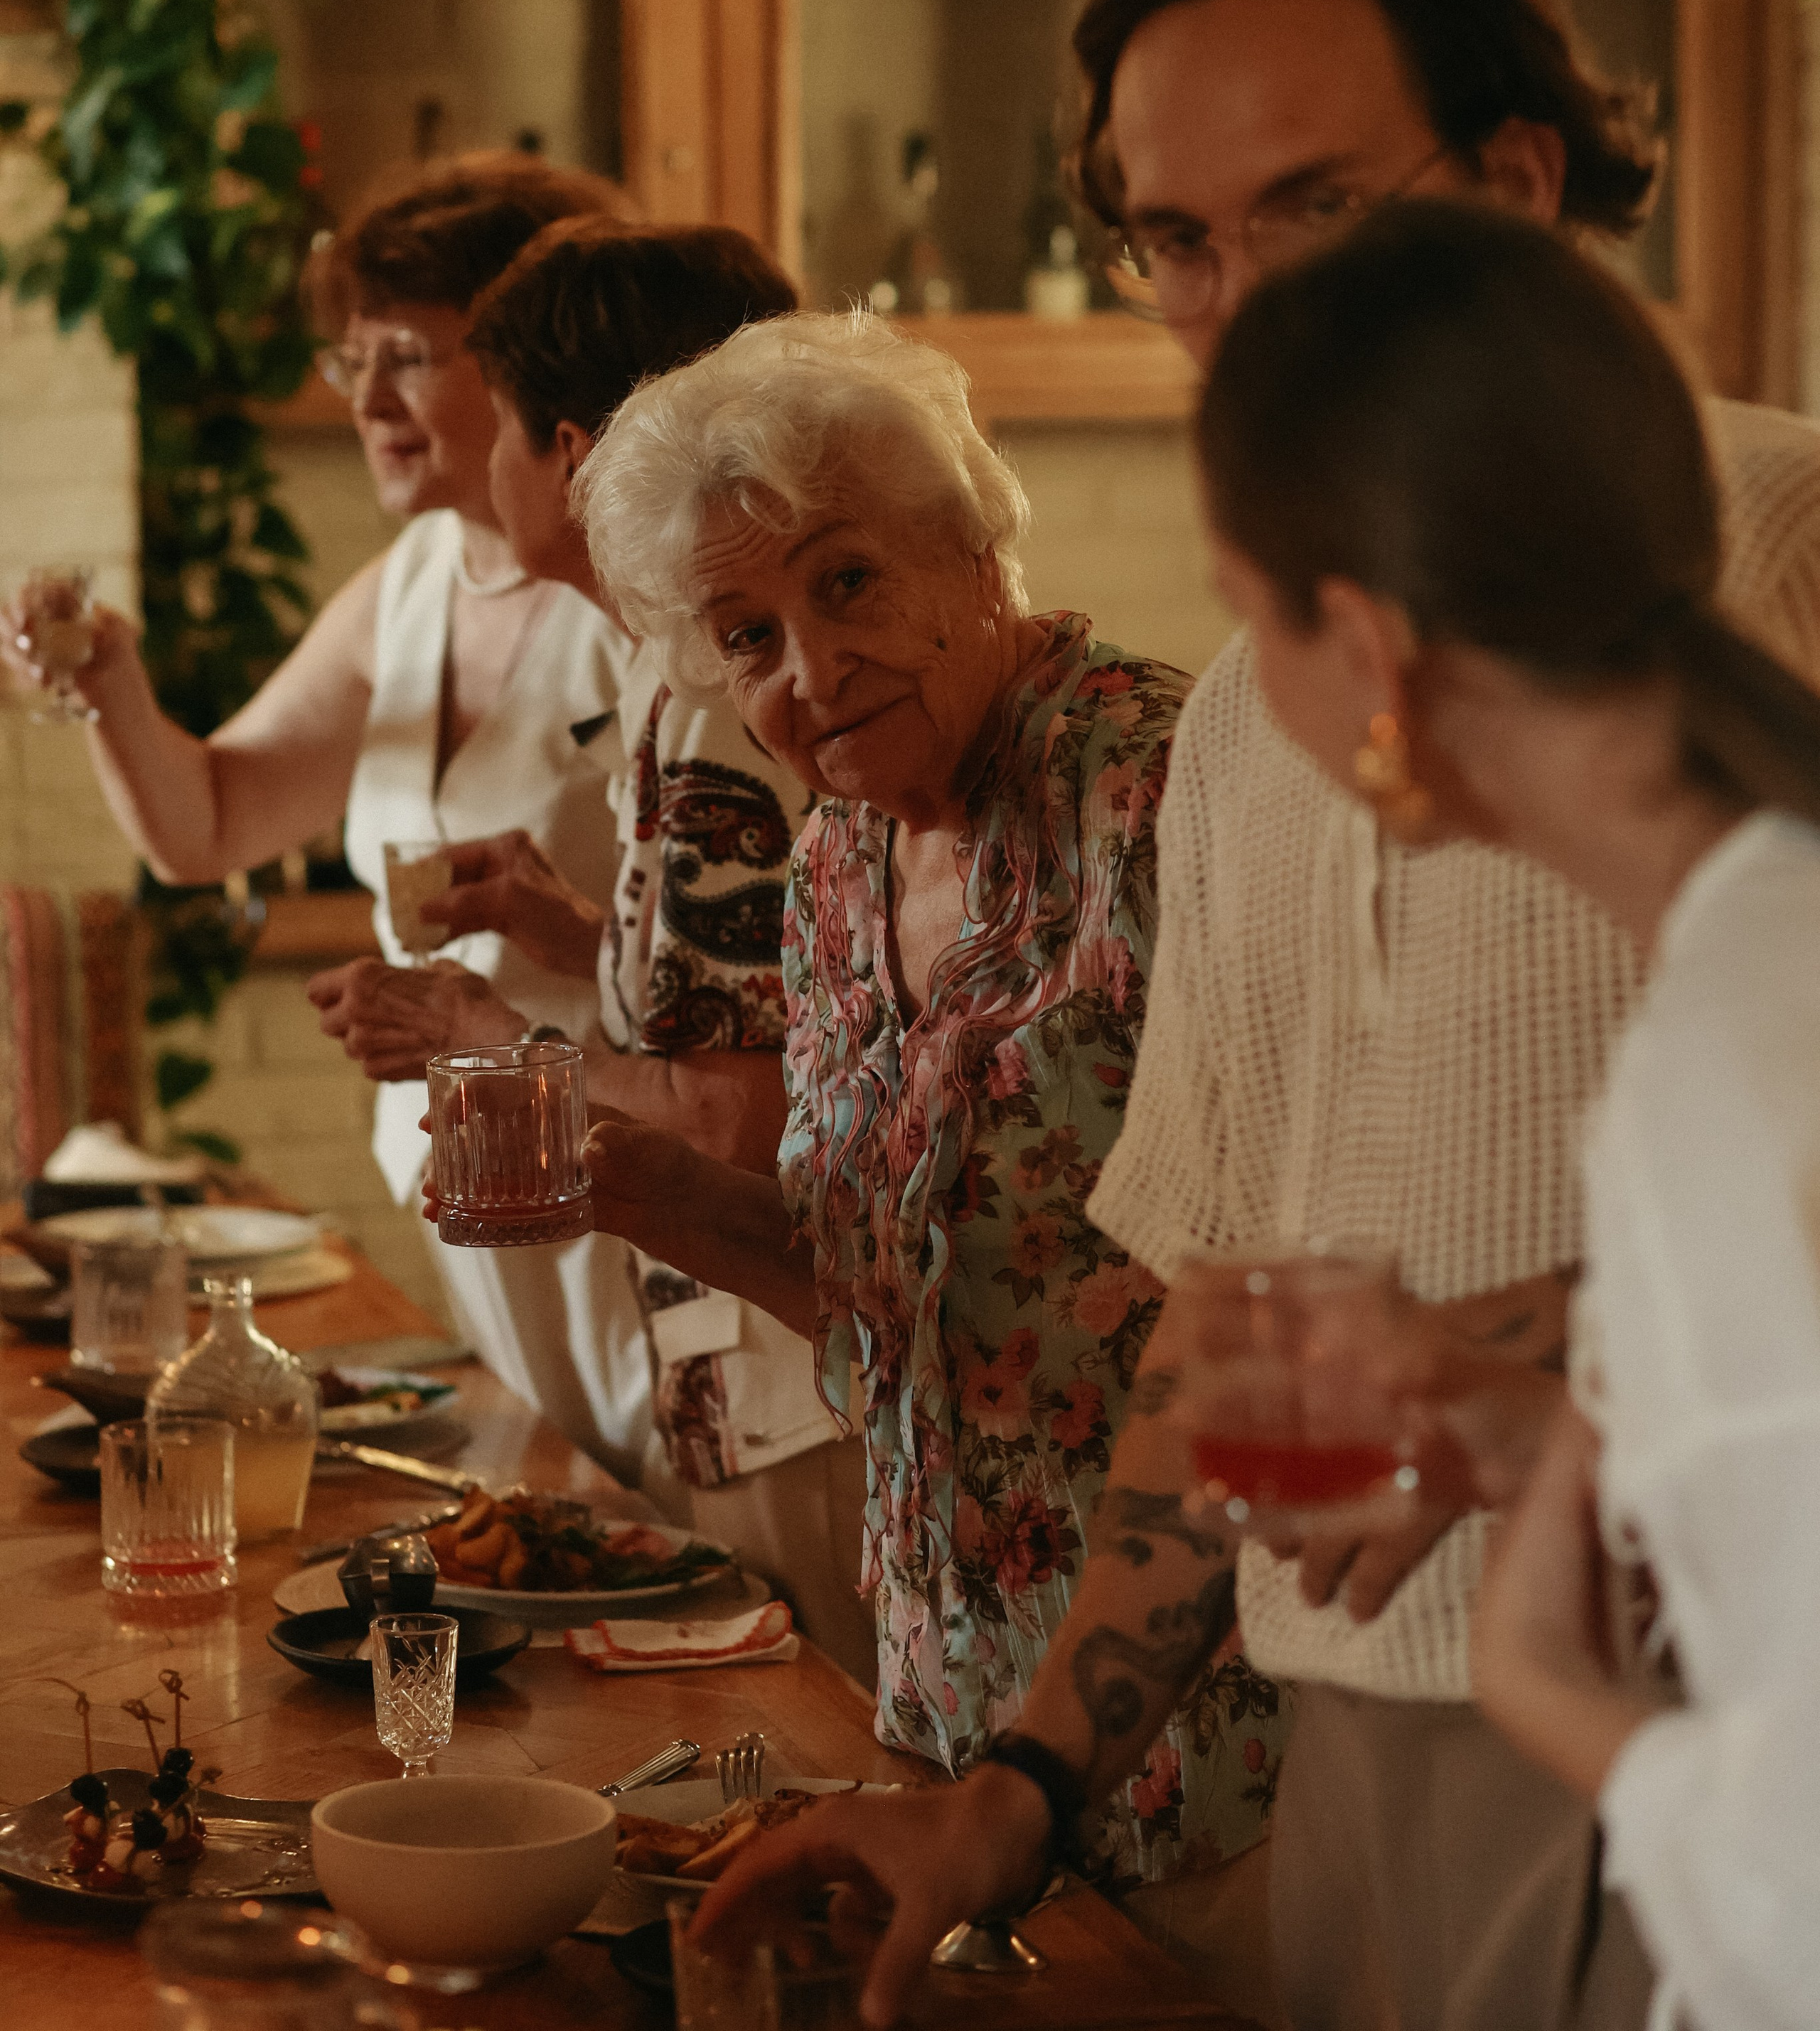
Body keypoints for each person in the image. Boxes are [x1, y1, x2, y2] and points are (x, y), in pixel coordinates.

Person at [687, 0, 1820, 2031]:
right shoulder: (1247, 716)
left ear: (1519, 179)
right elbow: (1229, 1306)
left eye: (1301, 210)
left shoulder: (1774, 540)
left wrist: (1555, 1374)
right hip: (1350, 1756)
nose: (1225, 308)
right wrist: (1020, 1781)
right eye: (1171, 238)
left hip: (1721, 1730)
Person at [1189, 200, 1820, 2031]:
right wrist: (1544, 1435)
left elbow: (1797, 1886)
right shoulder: (1753, 949)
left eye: (1248, 623)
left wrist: (1548, 1693)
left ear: (1370, 653)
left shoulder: (1726, 1059)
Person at [569, 308, 1284, 1889]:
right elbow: (877, 1291)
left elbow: (1291, 1299)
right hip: (944, 1711)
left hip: (1210, 1747)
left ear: (974, 552)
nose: (809, 669)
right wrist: (647, 1190)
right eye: (745, 635)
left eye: (844, 582)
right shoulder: (838, 857)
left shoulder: (1163, 796)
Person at [4, 152, 655, 1481]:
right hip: (476, 1209)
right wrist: (112, 677)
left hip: (627, 1183)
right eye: (349, 360)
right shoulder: (414, 582)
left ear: (532, 360)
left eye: (407, 356)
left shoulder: (634, 586)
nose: (368, 401)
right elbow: (209, 824)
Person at [315, 218, 875, 1677]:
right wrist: (568, 927)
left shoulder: (701, 694)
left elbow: (728, 1122)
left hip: (787, 1382)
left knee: (824, 1778)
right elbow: (761, 1000)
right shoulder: (673, 677)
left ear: (566, 455)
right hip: (743, 1366)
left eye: (493, 427)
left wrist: (469, 1034)